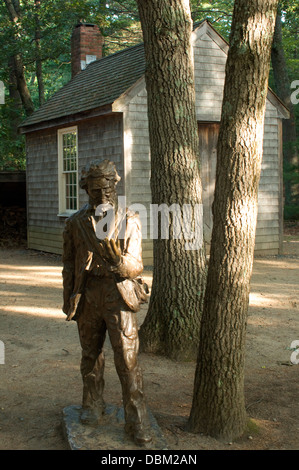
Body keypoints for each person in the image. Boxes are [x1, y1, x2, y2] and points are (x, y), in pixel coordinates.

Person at [62, 159, 152, 446]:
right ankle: (91, 405)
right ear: (86, 189)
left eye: (107, 189)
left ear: (115, 185)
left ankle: (136, 420)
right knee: (90, 356)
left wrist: (118, 262)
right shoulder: (75, 223)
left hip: (118, 296)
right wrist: (68, 299)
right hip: (88, 296)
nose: (102, 196)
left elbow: (136, 264)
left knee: (127, 360)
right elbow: (67, 264)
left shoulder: (130, 218)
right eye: (95, 190)